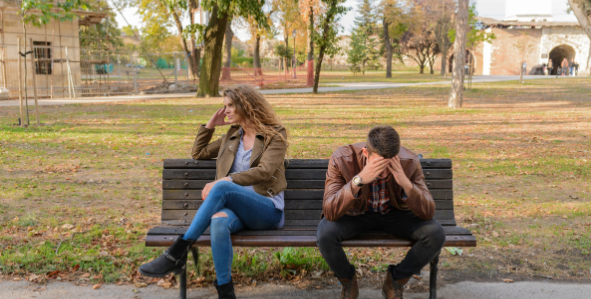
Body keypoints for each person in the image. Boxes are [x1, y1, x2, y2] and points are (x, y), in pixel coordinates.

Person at [139, 85, 288, 299]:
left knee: (223, 186)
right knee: (218, 220)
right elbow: (198, 153)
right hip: (238, 210)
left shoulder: (275, 133)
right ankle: (226, 292)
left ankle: (177, 251)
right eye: (224, 105)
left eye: (230, 105)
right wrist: (210, 125)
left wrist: (226, 180)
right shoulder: (232, 136)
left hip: (267, 209)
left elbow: (264, 172)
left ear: (246, 105)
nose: (225, 110)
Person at [316, 126, 444, 299]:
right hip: (355, 214)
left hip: (394, 214)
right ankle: (348, 281)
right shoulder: (342, 158)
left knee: (435, 234)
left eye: (389, 165)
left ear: (397, 157)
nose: (383, 173)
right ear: (365, 153)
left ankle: (396, 280)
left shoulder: (410, 161)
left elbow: (428, 212)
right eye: (378, 165)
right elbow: (330, 212)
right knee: (325, 234)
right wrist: (358, 180)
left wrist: (405, 183)